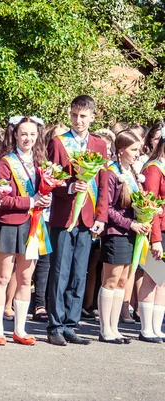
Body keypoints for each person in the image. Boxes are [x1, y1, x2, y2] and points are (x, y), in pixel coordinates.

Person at [46, 95, 109, 346]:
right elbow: (52, 179)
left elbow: (103, 185)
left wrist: (101, 216)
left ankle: (72, 324)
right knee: (60, 271)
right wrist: (71, 187)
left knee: (79, 273)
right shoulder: (59, 143)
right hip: (64, 216)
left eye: (83, 116)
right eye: (74, 115)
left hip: (87, 217)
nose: (78, 120)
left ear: (92, 117)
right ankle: (55, 325)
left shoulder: (99, 144)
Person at [0, 116, 50, 346]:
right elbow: (1, 197)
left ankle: (20, 329)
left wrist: (45, 199)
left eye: (32, 134)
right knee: (3, 277)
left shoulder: (41, 161)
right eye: (24, 134)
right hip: (10, 223)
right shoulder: (6, 162)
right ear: (15, 134)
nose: (28, 138)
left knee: (25, 278)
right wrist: (30, 201)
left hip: (33, 224)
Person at [97, 130, 143, 344]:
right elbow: (107, 208)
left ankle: (114, 328)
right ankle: (105, 328)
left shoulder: (132, 172)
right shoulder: (111, 171)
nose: (137, 153)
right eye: (134, 149)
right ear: (122, 149)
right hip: (116, 233)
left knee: (123, 280)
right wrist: (130, 223)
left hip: (130, 232)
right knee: (111, 279)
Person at [138, 128, 165, 343]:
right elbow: (151, 205)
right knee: (152, 277)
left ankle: (157, 326)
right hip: (159, 230)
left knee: (163, 281)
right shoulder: (154, 169)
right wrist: (155, 238)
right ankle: (146, 327)